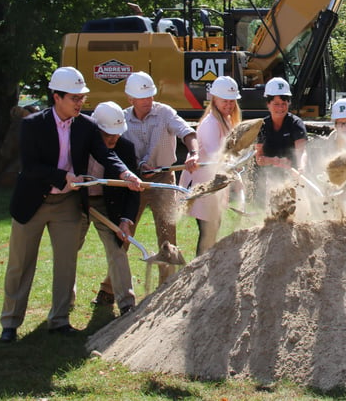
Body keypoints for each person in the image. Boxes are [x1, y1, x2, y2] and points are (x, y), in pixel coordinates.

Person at [0, 67, 141, 342]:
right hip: (32, 202)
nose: (80, 103)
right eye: (75, 97)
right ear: (57, 97)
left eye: (82, 97)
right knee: (20, 263)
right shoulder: (32, 125)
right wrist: (63, 176)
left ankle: (60, 320)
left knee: (66, 263)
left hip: (67, 203)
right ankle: (10, 323)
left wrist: (125, 173)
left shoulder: (86, 126)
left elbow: (104, 154)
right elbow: (30, 166)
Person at [95, 70, 199, 303]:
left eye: (150, 96)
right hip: (134, 183)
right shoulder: (122, 118)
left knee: (167, 236)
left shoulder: (165, 114)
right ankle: (110, 288)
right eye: (142, 98)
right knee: (123, 234)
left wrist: (194, 153)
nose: (148, 101)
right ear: (130, 99)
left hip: (163, 181)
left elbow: (187, 132)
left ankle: (167, 287)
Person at [86, 101, 140, 315]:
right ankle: (64, 302)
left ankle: (126, 303)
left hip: (106, 204)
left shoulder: (125, 148)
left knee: (117, 249)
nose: (113, 139)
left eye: (116, 134)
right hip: (76, 201)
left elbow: (133, 191)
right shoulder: (79, 142)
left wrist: (126, 219)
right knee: (67, 250)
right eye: (108, 134)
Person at [179, 76, 242, 257]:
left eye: (232, 101)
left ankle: (204, 271)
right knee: (208, 234)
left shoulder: (227, 121)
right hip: (204, 188)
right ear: (214, 99)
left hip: (215, 188)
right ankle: (198, 273)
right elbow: (218, 155)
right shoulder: (210, 124)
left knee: (212, 232)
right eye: (225, 101)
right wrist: (234, 171)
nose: (229, 105)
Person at [256, 77, 308, 179]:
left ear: (288, 103)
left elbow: (301, 152)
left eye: (284, 104)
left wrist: (301, 168)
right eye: (276, 104)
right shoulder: (262, 126)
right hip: (268, 176)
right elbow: (259, 158)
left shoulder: (296, 124)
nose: (280, 108)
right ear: (268, 104)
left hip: (293, 176)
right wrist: (274, 161)